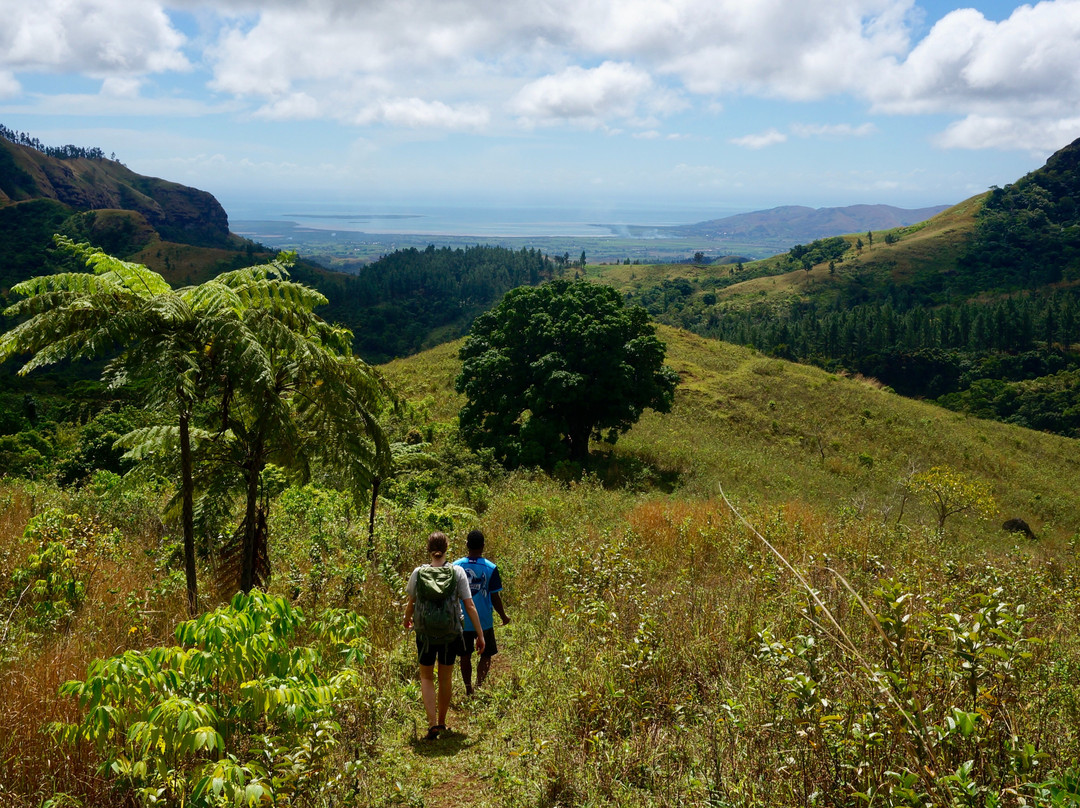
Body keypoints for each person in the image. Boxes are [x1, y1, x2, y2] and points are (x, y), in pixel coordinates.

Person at [404, 531, 485, 741]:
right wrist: (480, 634)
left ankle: (431, 724)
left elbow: (411, 603)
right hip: (450, 634)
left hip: (425, 634)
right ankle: (441, 721)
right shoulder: (456, 572)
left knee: (426, 676)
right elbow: (469, 605)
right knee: (445, 677)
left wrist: (406, 619)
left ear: (428, 549)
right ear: (447, 548)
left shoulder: (418, 573)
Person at [453, 528, 510, 695]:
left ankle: (468, 689)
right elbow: (495, 597)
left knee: (465, 655)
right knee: (487, 653)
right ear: (483, 546)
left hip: (462, 620)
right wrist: (503, 616)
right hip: (483, 620)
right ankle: (479, 685)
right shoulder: (490, 568)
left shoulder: (455, 566)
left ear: (467, 545)